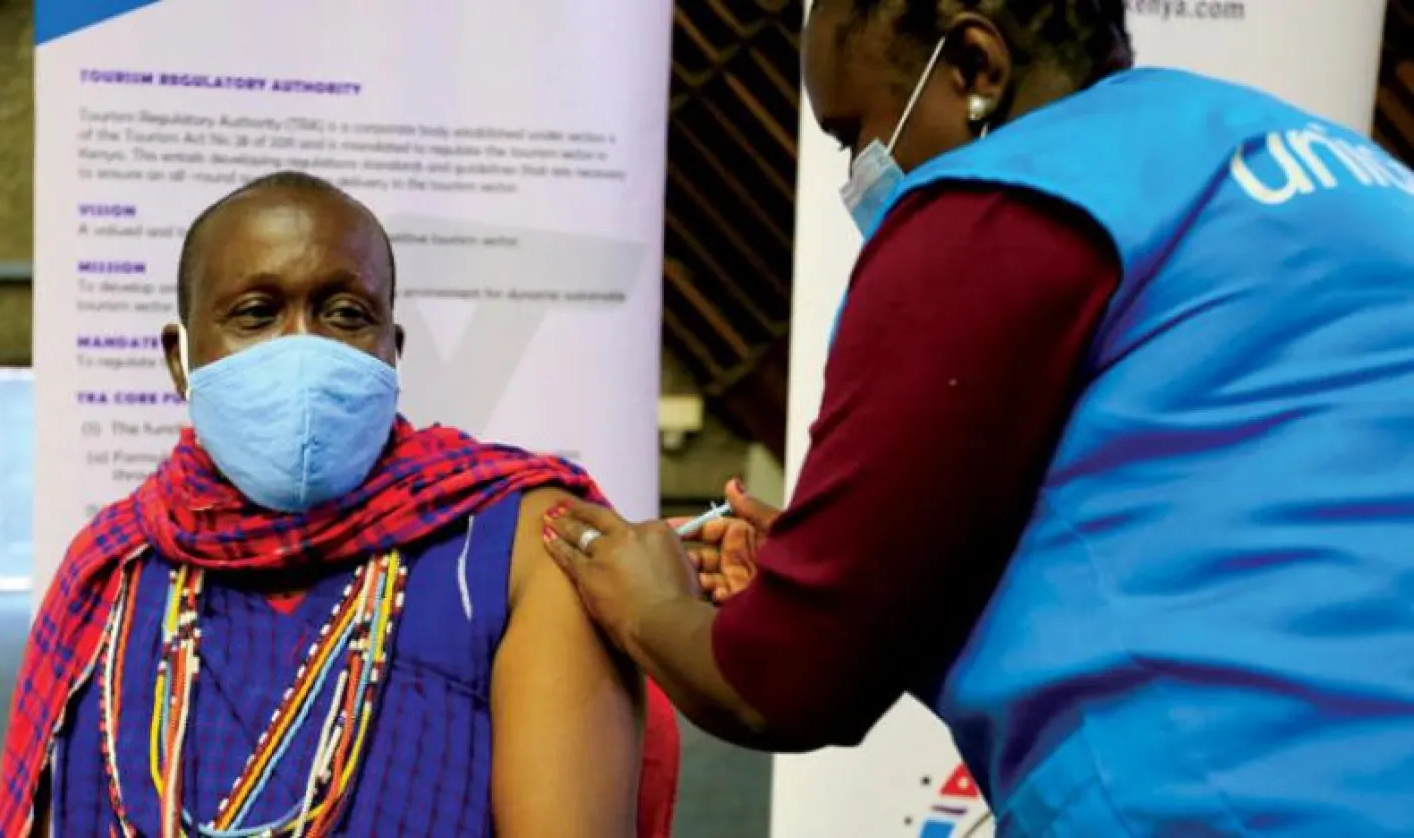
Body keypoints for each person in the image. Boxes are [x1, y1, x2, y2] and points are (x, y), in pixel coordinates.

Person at [540, 0, 1414, 834]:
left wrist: (646, 606)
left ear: (972, 65)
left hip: (1233, 794)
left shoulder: (999, 202)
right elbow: (1209, 511)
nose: (861, 174)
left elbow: (785, 685)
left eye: (856, 132)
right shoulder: (1322, 162)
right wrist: (854, 574)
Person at [0, 171, 679, 838]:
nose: (303, 348)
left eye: (346, 314)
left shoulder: (519, 541)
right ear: (181, 360)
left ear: (392, 352)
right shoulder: (116, 567)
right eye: (256, 314)